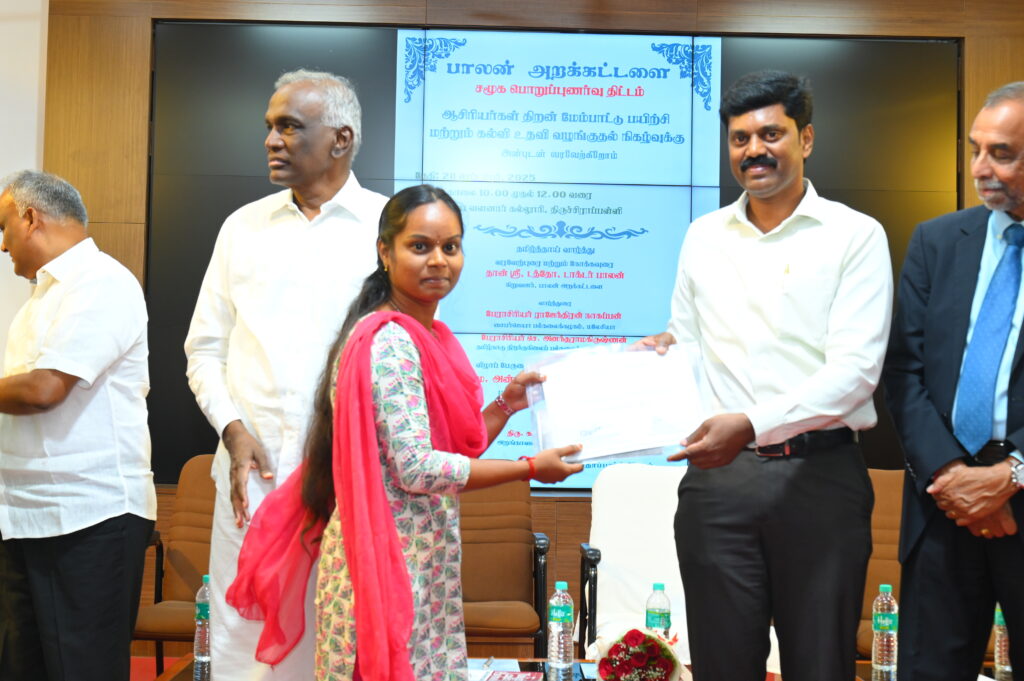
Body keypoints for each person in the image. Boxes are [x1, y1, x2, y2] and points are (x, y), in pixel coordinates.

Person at [227, 184, 584, 681]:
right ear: (385, 251)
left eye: (450, 246)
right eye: (420, 246)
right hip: (384, 566)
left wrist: (506, 405)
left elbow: (448, 447)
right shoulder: (390, 340)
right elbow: (417, 468)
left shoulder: (427, 334)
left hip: (420, 563)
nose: (439, 260)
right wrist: (528, 469)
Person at [641, 71, 893, 680]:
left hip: (819, 480)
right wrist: (662, 352)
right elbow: (688, 340)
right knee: (722, 665)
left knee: (819, 665)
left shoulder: (855, 235)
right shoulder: (703, 236)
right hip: (718, 486)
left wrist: (751, 424)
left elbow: (856, 373)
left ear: (806, 139)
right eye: (740, 139)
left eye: (770, 134)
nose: (754, 150)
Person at [184, 69, 388, 680]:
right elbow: (204, 349)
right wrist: (232, 430)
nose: (271, 140)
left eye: (290, 127)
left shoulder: (391, 228)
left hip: (351, 476)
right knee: (243, 640)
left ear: (341, 139)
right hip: (255, 473)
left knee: (341, 633)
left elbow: (409, 355)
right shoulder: (241, 227)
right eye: (270, 127)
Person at [883, 81, 1024, 680]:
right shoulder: (937, 241)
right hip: (943, 507)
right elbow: (903, 369)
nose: (980, 169)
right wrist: (951, 476)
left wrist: (1010, 476)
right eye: (975, 149)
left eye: (1002, 154)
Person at [0, 170, 156, 681]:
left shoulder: (102, 282)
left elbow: (44, 390)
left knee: (82, 671)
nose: (2, 245)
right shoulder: (39, 300)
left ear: (30, 218)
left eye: (4, 228)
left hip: (90, 519)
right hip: (25, 516)